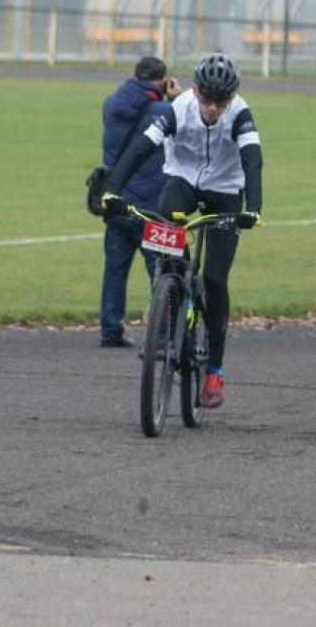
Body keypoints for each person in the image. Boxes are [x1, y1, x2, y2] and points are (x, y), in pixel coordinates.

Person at [101, 53, 263, 409]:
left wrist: (253, 207)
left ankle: (214, 372)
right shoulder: (178, 109)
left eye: (221, 102)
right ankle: (169, 298)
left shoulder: (240, 114)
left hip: (224, 191)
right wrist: (112, 188)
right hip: (184, 182)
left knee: (216, 281)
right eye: (207, 100)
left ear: (231, 98)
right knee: (166, 242)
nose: (213, 109)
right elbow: (141, 148)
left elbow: (252, 160)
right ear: (195, 91)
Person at [98, 56, 179, 348]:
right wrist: (174, 98)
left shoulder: (111, 105)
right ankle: (162, 333)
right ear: (161, 80)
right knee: (160, 269)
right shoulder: (164, 111)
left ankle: (110, 328)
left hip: (117, 200)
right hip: (151, 205)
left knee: (115, 268)